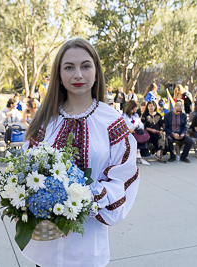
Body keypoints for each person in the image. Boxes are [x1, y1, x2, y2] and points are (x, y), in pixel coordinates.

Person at [22, 38, 139, 266]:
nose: (78, 74)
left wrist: (87, 197)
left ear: (96, 71)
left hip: (88, 243)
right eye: (69, 67)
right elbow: (26, 168)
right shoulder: (45, 120)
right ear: (59, 74)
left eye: (85, 66)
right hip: (45, 244)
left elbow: (124, 176)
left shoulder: (112, 121)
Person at [123, 100, 150, 165]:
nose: (137, 108)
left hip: (136, 132)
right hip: (128, 133)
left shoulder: (136, 115)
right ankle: (138, 153)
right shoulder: (124, 116)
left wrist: (139, 127)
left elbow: (140, 124)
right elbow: (124, 126)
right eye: (135, 107)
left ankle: (142, 157)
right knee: (134, 135)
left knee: (142, 133)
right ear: (132, 107)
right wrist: (129, 129)